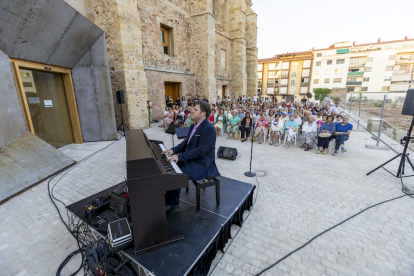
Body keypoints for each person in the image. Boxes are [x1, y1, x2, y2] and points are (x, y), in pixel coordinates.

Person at [162, 101, 220, 212]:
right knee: (168, 165)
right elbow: (186, 142)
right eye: (192, 108)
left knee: (176, 174)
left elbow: (201, 151)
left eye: (195, 109)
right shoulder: (194, 125)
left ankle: (173, 202)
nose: (191, 110)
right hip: (192, 158)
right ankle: (167, 197)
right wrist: (173, 150)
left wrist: (179, 157)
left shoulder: (209, 128)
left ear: (203, 113)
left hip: (202, 164)